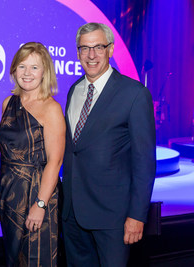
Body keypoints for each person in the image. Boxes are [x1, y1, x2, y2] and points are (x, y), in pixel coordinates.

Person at [61, 22, 156, 267]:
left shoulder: (134, 94)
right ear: (78, 52)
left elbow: (144, 161)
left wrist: (137, 215)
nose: (91, 55)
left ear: (111, 50)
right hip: (73, 214)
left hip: (113, 218)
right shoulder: (74, 90)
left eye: (98, 47)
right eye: (84, 48)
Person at [0, 42, 66, 266]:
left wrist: (40, 204)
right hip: (9, 195)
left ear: (45, 72)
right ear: (14, 69)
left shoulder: (51, 109)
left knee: (36, 258)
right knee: (12, 258)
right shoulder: (8, 102)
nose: (27, 73)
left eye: (34, 67)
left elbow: (55, 162)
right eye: (22, 66)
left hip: (37, 193)